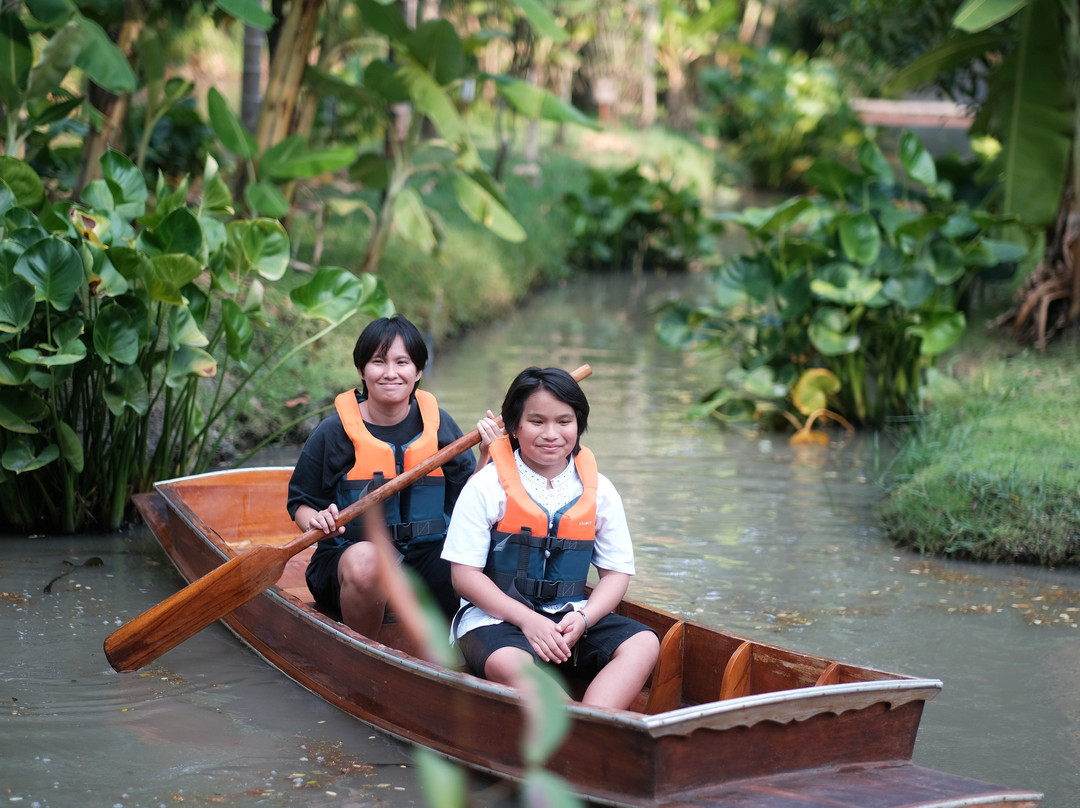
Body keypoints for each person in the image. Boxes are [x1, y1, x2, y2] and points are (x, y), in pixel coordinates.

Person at [441, 366, 660, 710]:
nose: (551, 434)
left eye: (564, 421)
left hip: (570, 618)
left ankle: (593, 721)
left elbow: (617, 574)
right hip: (497, 621)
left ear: (579, 425)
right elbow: (464, 577)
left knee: (644, 642)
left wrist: (585, 619)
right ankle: (576, 727)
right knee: (506, 663)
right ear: (513, 427)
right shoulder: (485, 486)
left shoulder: (601, 490)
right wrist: (527, 620)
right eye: (537, 421)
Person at [287, 315, 496, 638]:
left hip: (426, 556)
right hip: (350, 558)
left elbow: (470, 503)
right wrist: (317, 521)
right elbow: (300, 503)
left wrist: (486, 455)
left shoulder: (438, 425)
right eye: (378, 361)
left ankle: (476, 655)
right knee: (369, 561)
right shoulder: (334, 432)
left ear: (418, 372)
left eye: (402, 362)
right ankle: (365, 654)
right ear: (361, 370)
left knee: (492, 560)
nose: (390, 373)